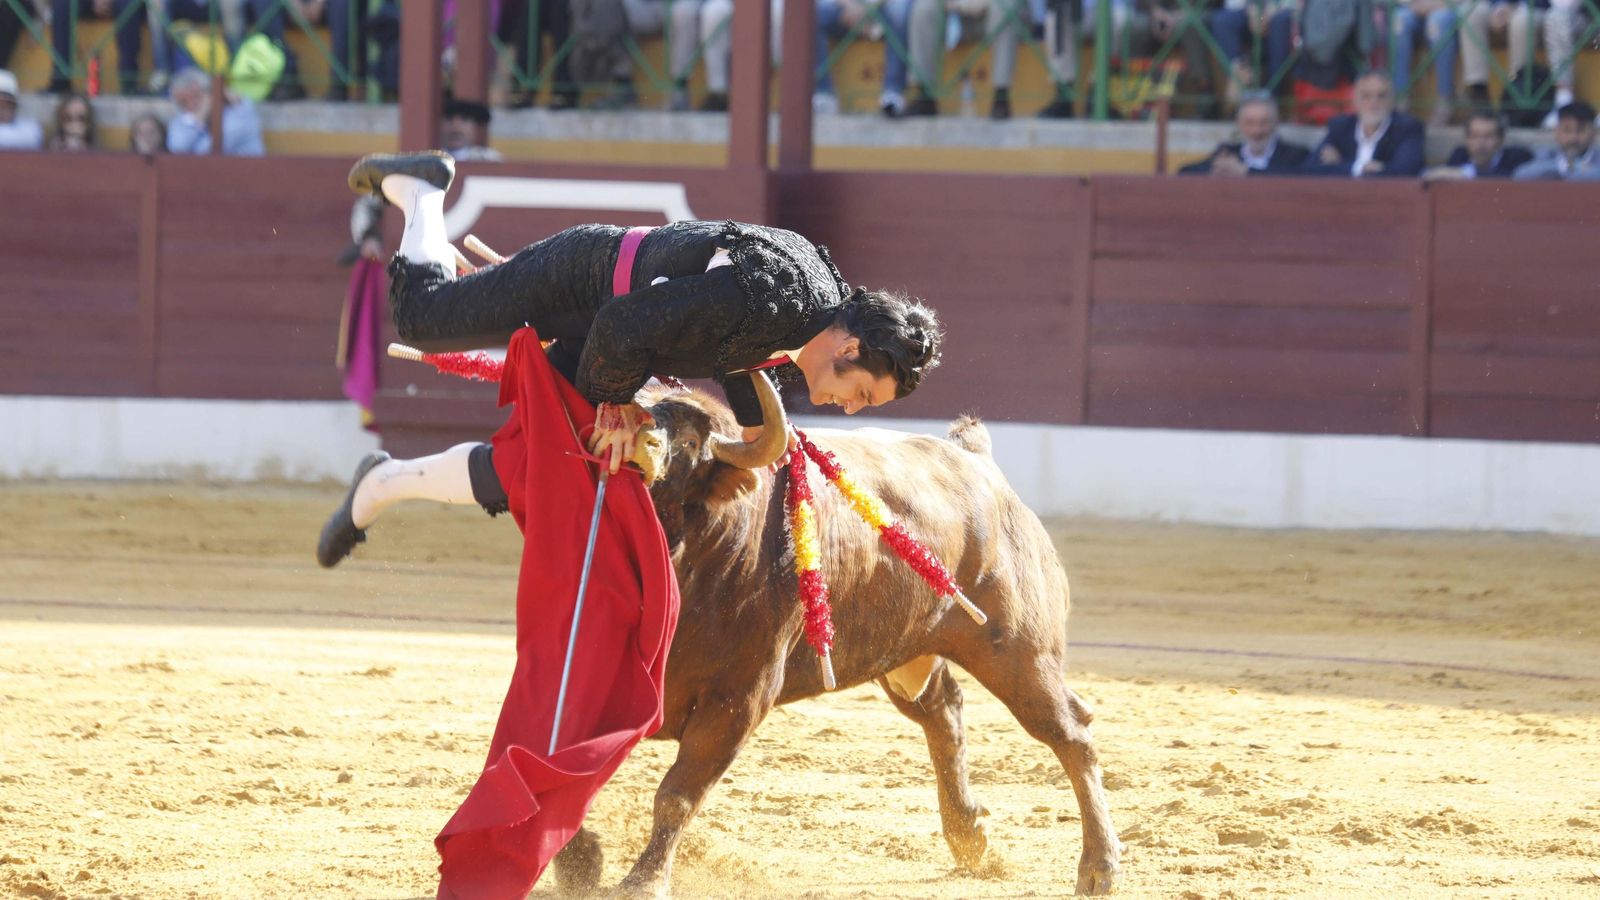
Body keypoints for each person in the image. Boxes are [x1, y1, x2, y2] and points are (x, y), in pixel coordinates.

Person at [317, 150, 944, 566]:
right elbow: (629, 323)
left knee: (545, 466)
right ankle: (421, 190)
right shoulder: (779, 303)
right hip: (581, 282)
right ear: (851, 348)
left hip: (610, 313)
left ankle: (380, 485)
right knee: (426, 318)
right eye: (862, 392)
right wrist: (613, 401)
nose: (850, 408)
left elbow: (734, 350)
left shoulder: (809, 311)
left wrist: (758, 433)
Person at [1300, 71, 1426, 177]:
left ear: (1392, 101)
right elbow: (1309, 168)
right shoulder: (1341, 127)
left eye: (1381, 96)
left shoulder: (1408, 129)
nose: (1373, 103)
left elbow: (1405, 173)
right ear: (1355, 101)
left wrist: (1340, 164)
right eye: (1366, 96)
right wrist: (1359, 167)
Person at [1179, 90, 1310, 175]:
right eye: (1250, 122)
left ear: (1276, 122)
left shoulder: (1295, 154)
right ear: (1239, 123)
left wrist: (1246, 172)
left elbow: (1300, 176)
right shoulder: (1228, 152)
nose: (1256, 130)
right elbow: (1185, 172)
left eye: (1264, 122)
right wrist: (1214, 170)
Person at [165, 66, 265, 155]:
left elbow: (207, 152)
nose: (191, 105)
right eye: (183, 103)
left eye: (196, 97)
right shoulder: (188, 118)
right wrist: (199, 119)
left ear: (210, 93)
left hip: (248, 173)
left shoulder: (239, 109)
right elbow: (176, 147)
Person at [1424, 110, 1533, 179]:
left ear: (1501, 140)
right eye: (1474, 136)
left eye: (1488, 136)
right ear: (1466, 139)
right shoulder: (1460, 155)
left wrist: (1467, 173)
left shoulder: (1518, 156)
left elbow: (1507, 176)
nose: (1480, 143)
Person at [1513, 100, 1600, 179]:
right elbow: (1520, 174)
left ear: (1593, 132)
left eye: (1581, 130)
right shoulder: (1546, 155)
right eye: (1567, 130)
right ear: (1556, 132)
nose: (1573, 137)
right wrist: (1564, 167)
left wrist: (1576, 169)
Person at [440, 97, 503, 161]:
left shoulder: (490, 159)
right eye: (449, 119)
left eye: (464, 120)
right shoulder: (431, 157)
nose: (455, 128)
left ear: (475, 127)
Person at [0, 68, 43, 150]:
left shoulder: (30, 128)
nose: (2, 108)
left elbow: (31, 140)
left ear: (15, 105)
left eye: (7, 102)